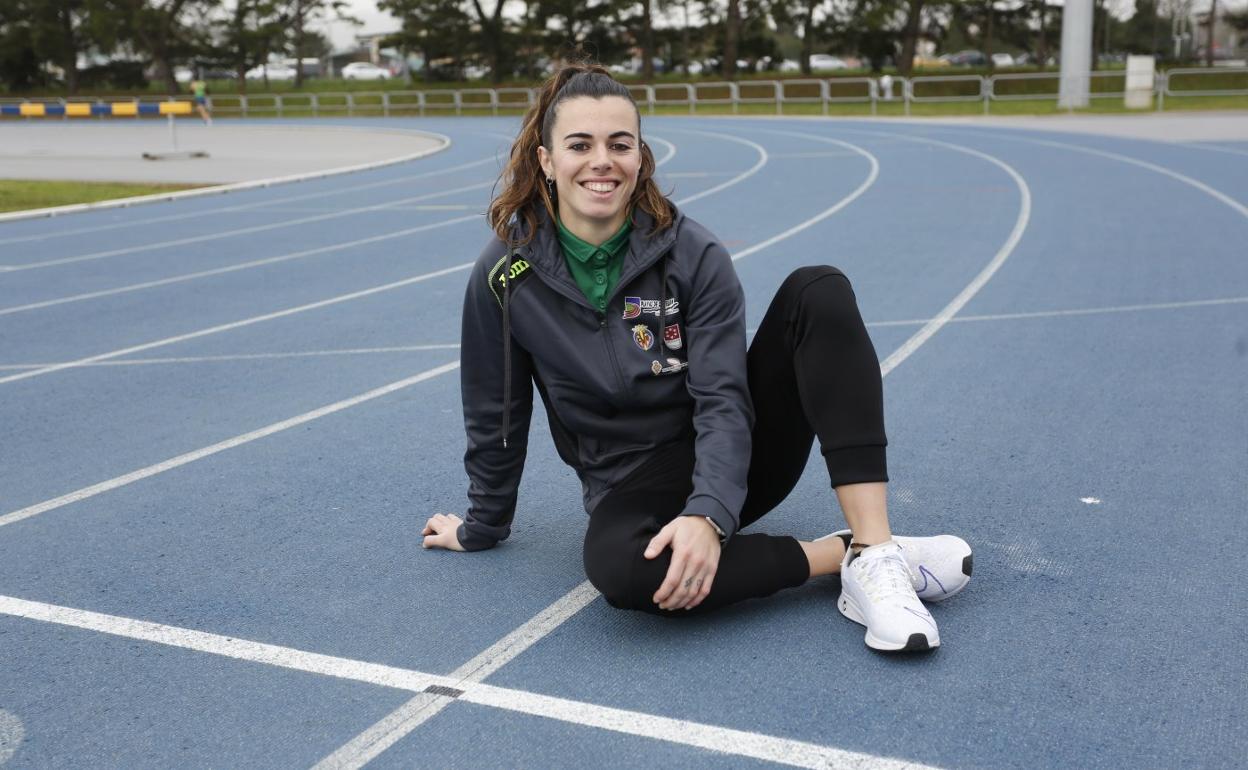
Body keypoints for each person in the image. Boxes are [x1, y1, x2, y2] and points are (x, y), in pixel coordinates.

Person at [421, 62, 972, 652]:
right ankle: (847, 556)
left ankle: (875, 542)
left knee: (819, 289)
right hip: (630, 481)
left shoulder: (693, 253)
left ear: (641, 156)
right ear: (547, 160)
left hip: (742, 452)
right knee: (623, 572)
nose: (601, 161)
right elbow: (496, 413)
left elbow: (723, 398)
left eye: (619, 144)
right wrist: (483, 524)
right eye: (579, 145)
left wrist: (710, 515)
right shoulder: (505, 274)